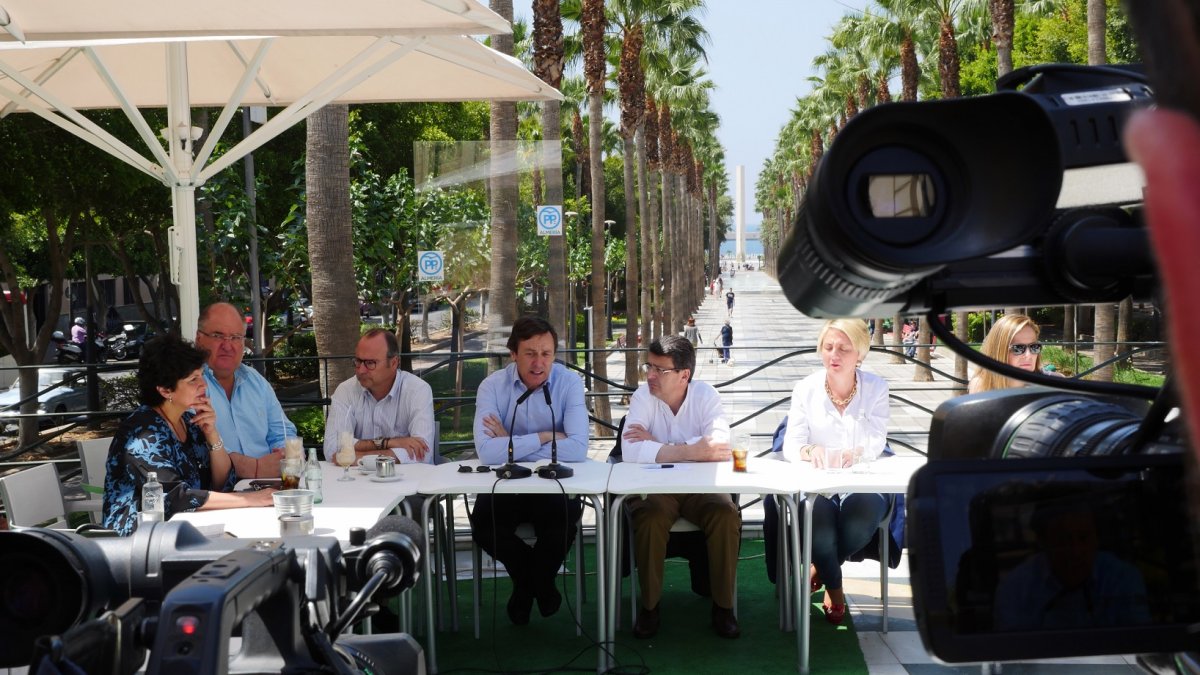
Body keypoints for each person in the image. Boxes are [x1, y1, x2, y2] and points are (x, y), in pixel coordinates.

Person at [469, 316, 588, 625]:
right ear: (513, 355)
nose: (539, 363)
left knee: (562, 527)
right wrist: (546, 436)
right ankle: (539, 585)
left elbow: (577, 449)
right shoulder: (492, 386)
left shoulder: (569, 382)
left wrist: (508, 441)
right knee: (484, 526)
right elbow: (487, 451)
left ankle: (524, 590)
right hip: (505, 484)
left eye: (546, 353)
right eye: (530, 353)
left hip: (552, 483)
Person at [621, 335, 741, 639]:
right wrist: (690, 450)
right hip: (656, 489)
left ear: (684, 375)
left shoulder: (706, 395)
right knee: (648, 517)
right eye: (649, 366)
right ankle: (649, 608)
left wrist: (657, 446)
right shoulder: (642, 397)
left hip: (701, 488)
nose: (649, 375)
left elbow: (719, 445)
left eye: (659, 370)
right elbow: (630, 452)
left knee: (726, 513)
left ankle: (724, 607)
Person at [102, 334, 275, 535]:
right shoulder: (142, 432)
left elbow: (220, 481)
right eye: (193, 379)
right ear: (166, 390)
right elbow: (174, 497)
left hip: (187, 529)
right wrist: (249, 499)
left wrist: (212, 434)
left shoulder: (188, 422)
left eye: (202, 375)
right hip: (138, 540)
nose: (204, 385)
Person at [780, 319, 891, 625]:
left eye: (843, 348)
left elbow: (876, 441)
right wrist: (809, 452)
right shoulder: (805, 389)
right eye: (828, 347)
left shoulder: (876, 388)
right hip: (819, 483)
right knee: (818, 520)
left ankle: (819, 569)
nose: (834, 355)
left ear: (861, 354)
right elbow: (792, 445)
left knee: (862, 515)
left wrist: (853, 454)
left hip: (861, 480)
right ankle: (836, 587)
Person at [195, 302, 296, 479]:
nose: (228, 346)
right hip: (220, 493)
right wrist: (253, 468)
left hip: (268, 484)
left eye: (235, 337)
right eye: (218, 336)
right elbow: (196, 448)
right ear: (199, 338)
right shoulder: (189, 384)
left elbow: (283, 433)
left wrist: (283, 456)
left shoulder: (255, 380)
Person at [324, 328, 435, 464]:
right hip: (358, 482)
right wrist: (391, 443)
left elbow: (422, 453)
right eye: (358, 361)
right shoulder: (345, 390)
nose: (361, 370)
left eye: (370, 363)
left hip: (408, 482)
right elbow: (332, 449)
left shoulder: (417, 390)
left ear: (394, 363)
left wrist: (357, 457)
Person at [968, 313, 1047, 394]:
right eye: (1018, 348)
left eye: (1034, 347)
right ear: (999, 351)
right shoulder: (982, 386)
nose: (1028, 355)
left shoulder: (1050, 382)